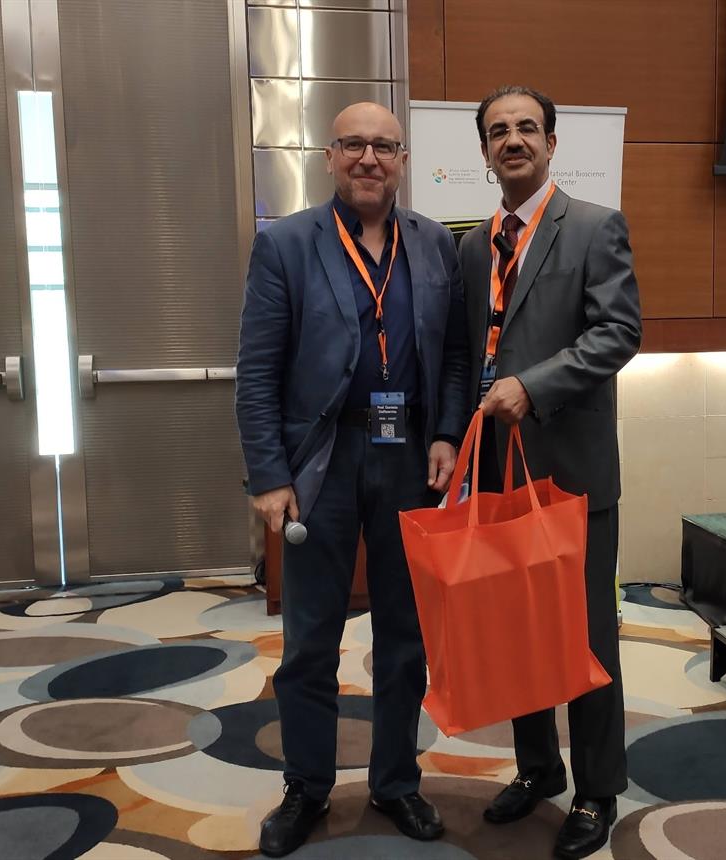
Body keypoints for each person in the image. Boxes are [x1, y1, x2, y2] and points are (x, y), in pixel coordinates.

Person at [236, 101, 471, 858]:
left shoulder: (434, 243)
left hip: (409, 461)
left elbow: (457, 357)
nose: (370, 158)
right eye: (354, 145)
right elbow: (257, 371)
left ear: (402, 160)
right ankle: (306, 787)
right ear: (330, 156)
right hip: (322, 463)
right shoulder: (286, 244)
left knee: (407, 637)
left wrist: (446, 433)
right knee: (311, 639)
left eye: (384, 146)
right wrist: (269, 474)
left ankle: (395, 781)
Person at [461, 85, 642, 859]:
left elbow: (619, 333)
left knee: (587, 637)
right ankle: (539, 768)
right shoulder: (472, 247)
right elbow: (469, 352)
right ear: (484, 151)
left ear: (552, 143)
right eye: (499, 131)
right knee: (518, 632)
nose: (514, 140)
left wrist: (532, 387)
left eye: (527, 128)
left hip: (572, 474)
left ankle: (598, 789)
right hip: (500, 473)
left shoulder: (595, 228)